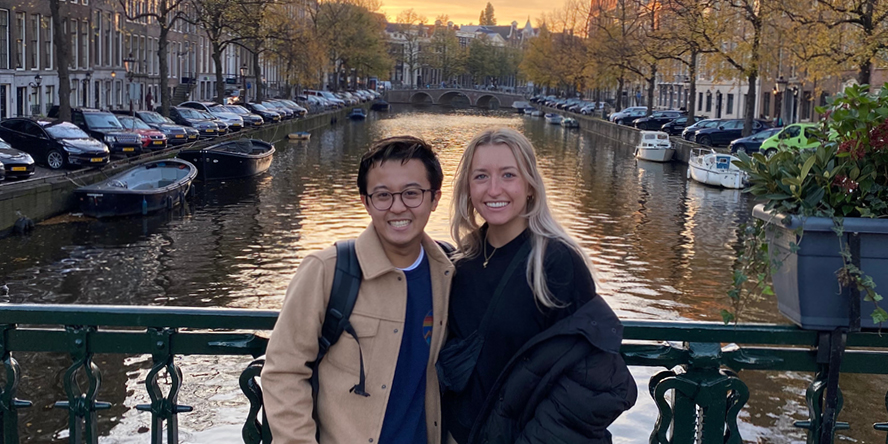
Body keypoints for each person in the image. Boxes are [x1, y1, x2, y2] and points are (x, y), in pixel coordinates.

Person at [440, 127, 636, 444]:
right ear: (467, 188)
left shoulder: (555, 262)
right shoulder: (464, 262)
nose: (493, 189)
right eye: (480, 177)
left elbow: (591, 380)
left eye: (508, 175)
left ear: (530, 186)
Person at [262, 136, 455, 444]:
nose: (398, 207)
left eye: (412, 193)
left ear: (434, 198)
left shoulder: (448, 274)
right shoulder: (326, 270)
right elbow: (284, 371)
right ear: (365, 202)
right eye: (383, 195)